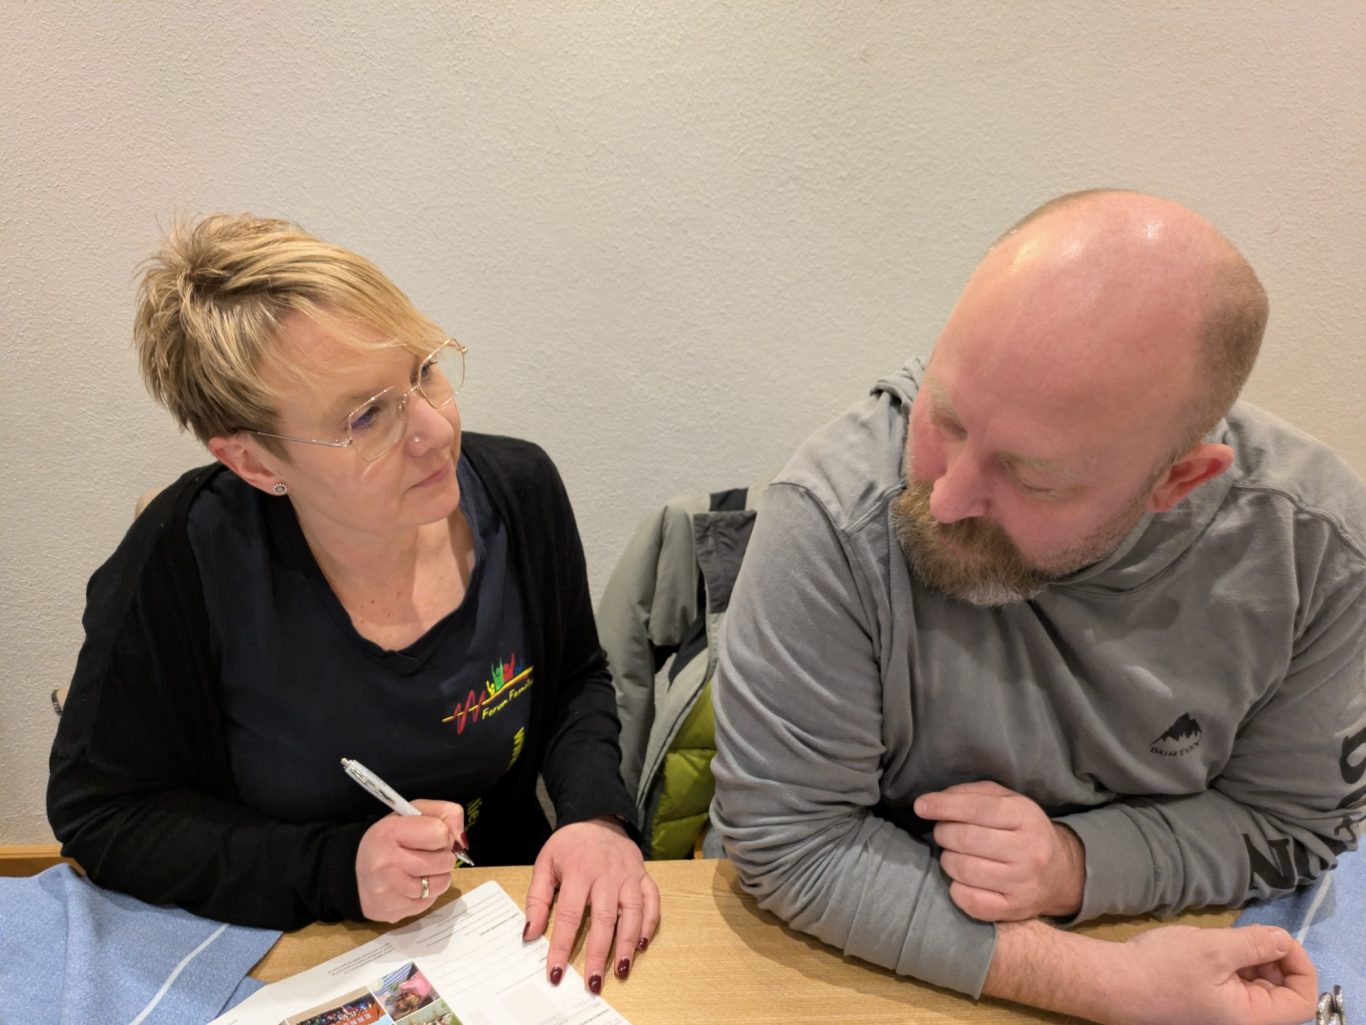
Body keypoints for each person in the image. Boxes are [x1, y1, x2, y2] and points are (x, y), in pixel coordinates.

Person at [710, 189, 1365, 1025]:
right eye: (946, 417)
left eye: (1031, 475)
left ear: (1178, 480)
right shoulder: (833, 514)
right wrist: (1114, 984)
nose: (946, 497)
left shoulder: (1316, 553)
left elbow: (1295, 823)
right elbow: (791, 841)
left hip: (1153, 935)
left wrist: (1076, 865)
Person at [47, 214, 658, 993]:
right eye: (367, 415)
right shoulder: (180, 559)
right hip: (288, 942)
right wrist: (338, 866)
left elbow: (574, 677)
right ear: (253, 461)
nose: (435, 429)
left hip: (501, 921)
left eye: (425, 370)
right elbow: (102, 814)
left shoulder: (521, 490)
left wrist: (596, 817)